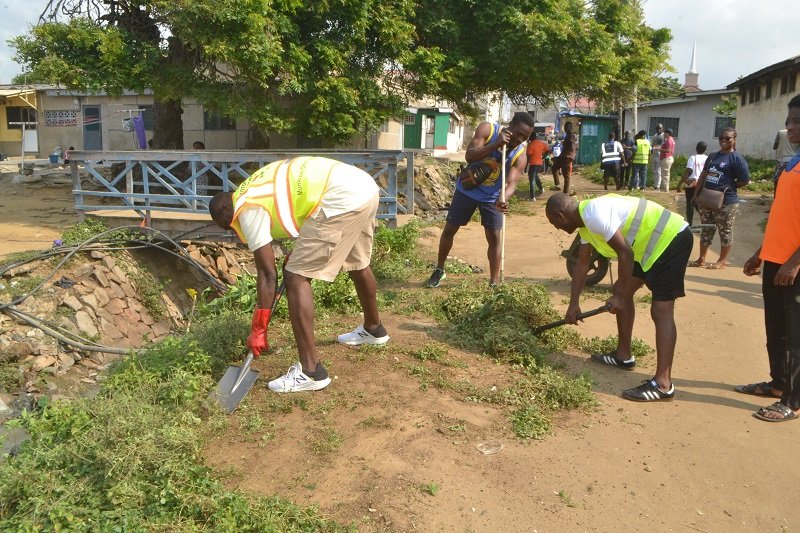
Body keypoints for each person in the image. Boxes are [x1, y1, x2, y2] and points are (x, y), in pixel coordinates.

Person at [209, 156, 389, 393]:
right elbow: (300, 202)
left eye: (228, 225)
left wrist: (258, 329)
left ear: (225, 209)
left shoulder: (246, 208)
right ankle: (373, 329)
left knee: (295, 278)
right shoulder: (253, 187)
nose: (233, 230)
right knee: (357, 262)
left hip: (339, 199)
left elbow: (267, 275)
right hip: (363, 188)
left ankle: (311, 371)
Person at [545, 192, 693, 401]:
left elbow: (625, 253)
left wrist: (622, 298)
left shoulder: (595, 214)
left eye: (553, 222)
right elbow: (581, 264)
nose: (555, 227)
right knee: (619, 290)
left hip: (671, 239)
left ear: (561, 217)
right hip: (650, 247)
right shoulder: (585, 223)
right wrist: (573, 305)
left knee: (661, 310)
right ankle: (623, 356)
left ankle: (663, 384)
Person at [739, 94, 800, 420]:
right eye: (789, 120)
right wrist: (761, 252)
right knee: (774, 326)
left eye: (797, 121)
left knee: (795, 333)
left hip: (794, 265)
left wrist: (793, 262)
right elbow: (783, 215)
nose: (790, 127)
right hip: (776, 258)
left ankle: (792, 400)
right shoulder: (793, 162)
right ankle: (778, 384)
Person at [426, 112, 534, 288]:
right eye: (519, 133)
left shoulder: (520, 155)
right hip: (466, 191)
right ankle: (439, 269)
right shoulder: (488, 130)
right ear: (511, 125)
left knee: (494, 239)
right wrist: (496, 144)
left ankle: (493, 282)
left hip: (491, 198)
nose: (520, 139)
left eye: (526, 137)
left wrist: (503, 198)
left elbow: (512, 183)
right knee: (450, 230)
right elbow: (470, 156)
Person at [688, 127, 750, 269]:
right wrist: (695, 195)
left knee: (725, 231)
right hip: (707, 199)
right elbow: (703, 175)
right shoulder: (713, 156)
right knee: (706, 229)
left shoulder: (737, 159)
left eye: (727, 138)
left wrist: (729, 187)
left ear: (734, 139)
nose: (723, 141)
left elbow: (744, 180)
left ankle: (722, 261)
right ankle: (701, 259)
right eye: (721, 138)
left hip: (727, 202)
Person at [676, 141, 708, 226]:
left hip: (692, 184)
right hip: (702, 184)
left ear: (696, 148)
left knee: (690, 204)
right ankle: (705, 223)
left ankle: (690, 225)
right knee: (700, 204)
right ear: (705, 149)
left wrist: (679, 184)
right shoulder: (707, 159)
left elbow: (688, 172)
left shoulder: (693, 158)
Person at [552, 122, 578, 194]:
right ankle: (557, 185)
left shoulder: (572, 136)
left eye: (568, 127)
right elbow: (565, 149)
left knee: (566, 176)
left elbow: (572, 142)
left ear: (570, 128)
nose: (566, 128)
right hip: (563, 156)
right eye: (565, 127)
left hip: (567, 157)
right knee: (554, 168)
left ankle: (565, 193)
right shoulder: (567, 136)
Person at [525, 132, 550, 200]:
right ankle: (541, 189)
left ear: (531, 137)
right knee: (535, 176)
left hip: (533, 163)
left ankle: (532, 196)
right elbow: (548, 150)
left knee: (532, 179)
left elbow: (528, 156)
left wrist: (526, 166)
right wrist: (543, 157)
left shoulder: (530, 145)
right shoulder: (541, 143)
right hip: (539, 163)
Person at [650, 123, 664, 190]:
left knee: (658, 171)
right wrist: (651, 154)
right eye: (658, 128)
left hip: (659, 155)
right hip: (654, 155)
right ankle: (655, 184)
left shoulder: (663, 136)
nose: (659, 129)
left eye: (660, 128)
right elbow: (652, 145)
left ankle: (658, 185)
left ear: (662, 129)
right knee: (654, 170)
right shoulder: (654, 136)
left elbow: (664, 146)